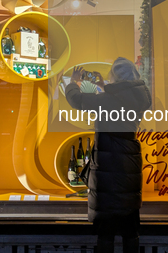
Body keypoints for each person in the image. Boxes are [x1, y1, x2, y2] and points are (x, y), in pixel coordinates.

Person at [65, 58, 152, 253]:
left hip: (108, 161)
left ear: (116, 77)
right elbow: (119, 100)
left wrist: (73, 83)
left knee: (106, 230)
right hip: (129, 159)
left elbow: (77, 100)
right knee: (130, 226)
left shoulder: (106, 100)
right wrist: (104, 87)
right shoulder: (138, 98)